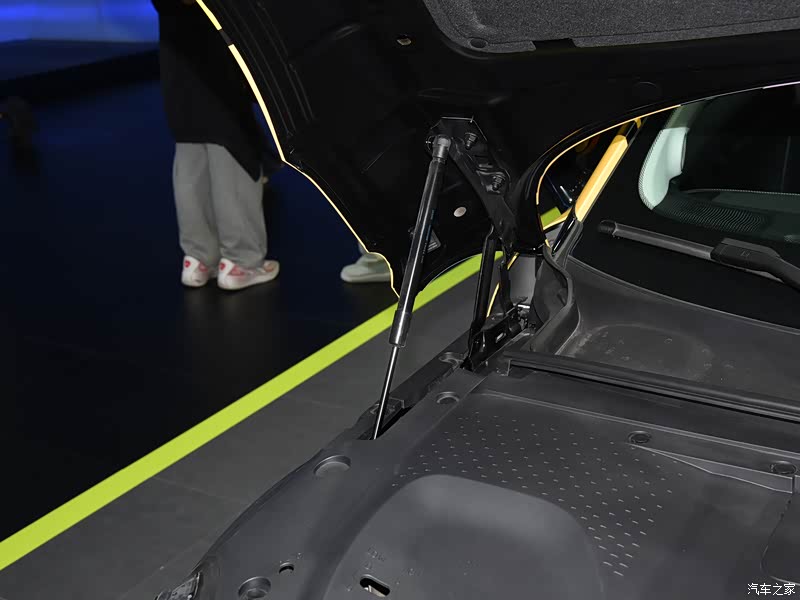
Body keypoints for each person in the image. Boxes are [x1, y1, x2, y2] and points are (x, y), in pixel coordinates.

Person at [152, 0, 280, 290]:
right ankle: (242, 263)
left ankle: (199, 259)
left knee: (191, 152)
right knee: (230, 148)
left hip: (178, 60)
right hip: (214, 56)